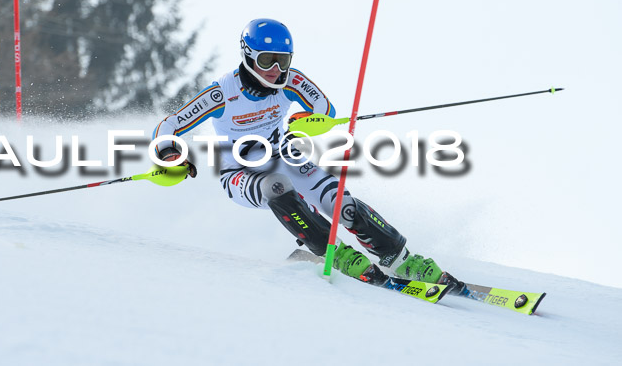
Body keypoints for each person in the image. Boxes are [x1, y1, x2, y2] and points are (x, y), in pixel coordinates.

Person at [152, 18, 464, 291]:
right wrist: (169, 154)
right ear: (248, 56)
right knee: (275, 185)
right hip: (240, 174)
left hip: (287, 159)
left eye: (283, 61)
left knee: (343, 205)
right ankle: (336, 253)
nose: (276, 71)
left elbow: (324, 109)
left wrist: (307, 125)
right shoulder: (223, 93)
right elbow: (171, 124)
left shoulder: (290, 82)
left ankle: (403, 259)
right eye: (267, 61)